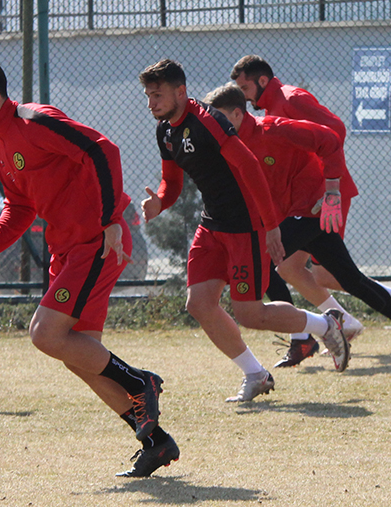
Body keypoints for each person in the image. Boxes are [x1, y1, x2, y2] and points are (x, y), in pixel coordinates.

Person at [0, 56, 174, 478]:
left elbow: (103, 149)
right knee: (79, 356)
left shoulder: (35, 121)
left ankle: (140, 381)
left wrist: (110, 220)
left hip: (97, 241)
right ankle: (155, 442)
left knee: (46, 334)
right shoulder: (0, 143)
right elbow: (20, 206)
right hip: (68, 247)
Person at [140, 60, 349, 403]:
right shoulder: (166, 130)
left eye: (158, 95)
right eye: (148, 96)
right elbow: (172, 182)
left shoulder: (209, 121)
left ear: (181, 92)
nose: (151, 103)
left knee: (250, 314)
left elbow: (250, 166)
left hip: (246, 226)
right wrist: (161, 202)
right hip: (212, 226)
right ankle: (255, 374)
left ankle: (325, 325)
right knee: (199, 304)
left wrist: (269, 228)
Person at [204, 83, 391, 361]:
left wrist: (331, 192)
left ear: (236, 115)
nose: (212, 125)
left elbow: (330, 137)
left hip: (312, 209)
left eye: (216, 117)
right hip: (297, 215)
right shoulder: (232, 145)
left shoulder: (274, 128)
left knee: (265, 261)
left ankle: (302, 336)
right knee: (351, 279)